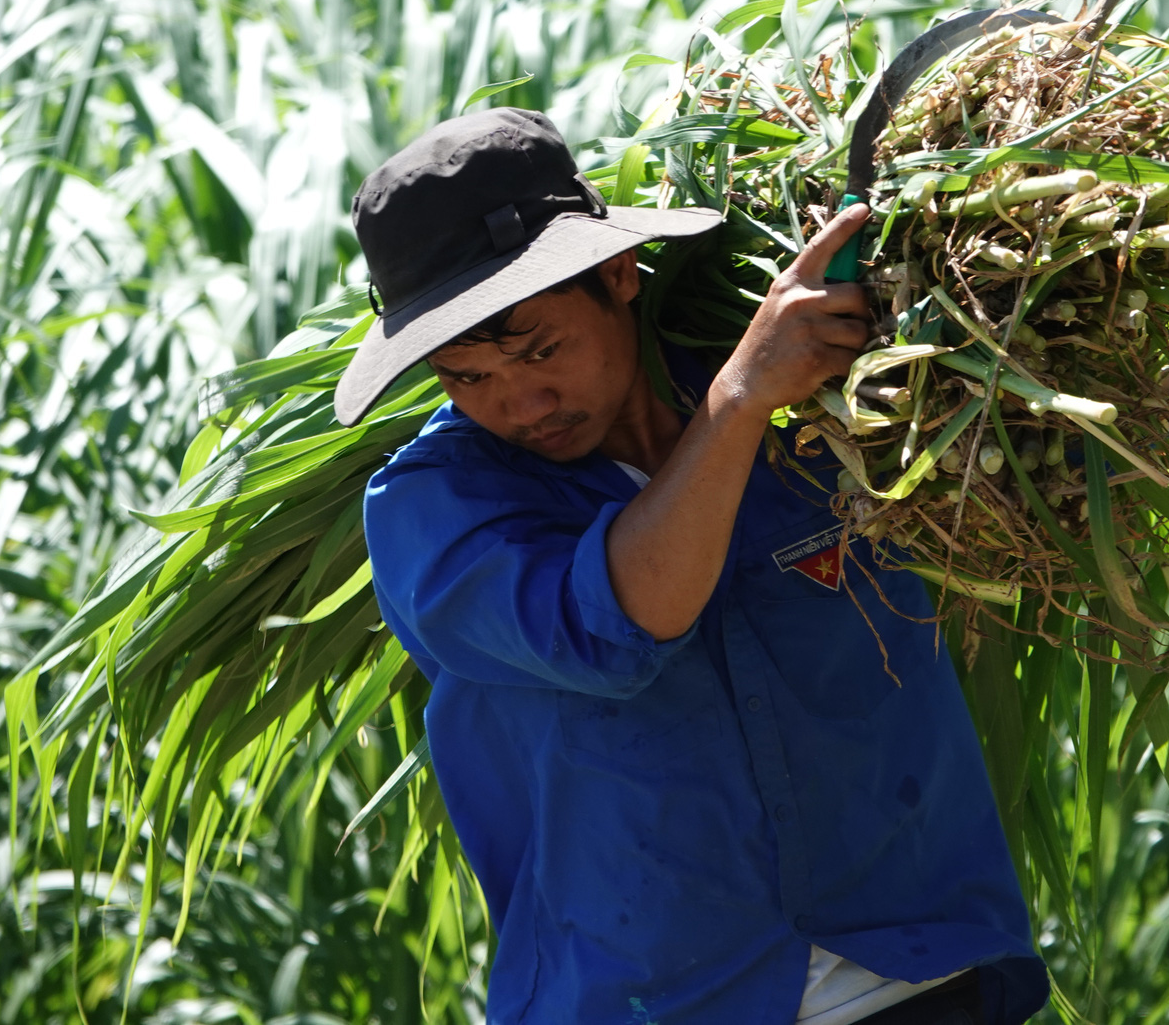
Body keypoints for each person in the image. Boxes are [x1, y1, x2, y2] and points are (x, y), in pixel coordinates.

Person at [335, 108, 1050, 1025]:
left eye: (539, 349)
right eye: (466, 377)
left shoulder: (828, 406)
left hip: (921, 975)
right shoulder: (432, 510)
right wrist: (740, 399)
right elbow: (618, 624)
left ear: (618, 273)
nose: (520, 401)